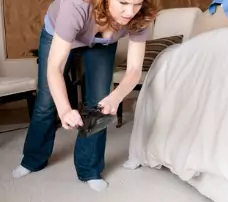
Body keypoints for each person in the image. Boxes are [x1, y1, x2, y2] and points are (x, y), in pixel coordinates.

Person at [12, 0, 157, 191]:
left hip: (103, 42)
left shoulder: (140, 14)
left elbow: (134, 69)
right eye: (123, 2)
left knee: (100, 102)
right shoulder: (76, 6)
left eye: (137, 3)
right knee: (46, 101)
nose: (130, 11)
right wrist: (64, 110)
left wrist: (115, 97)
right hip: (59, 32)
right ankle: (32, 160)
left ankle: (89, 169)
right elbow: (54, 68)